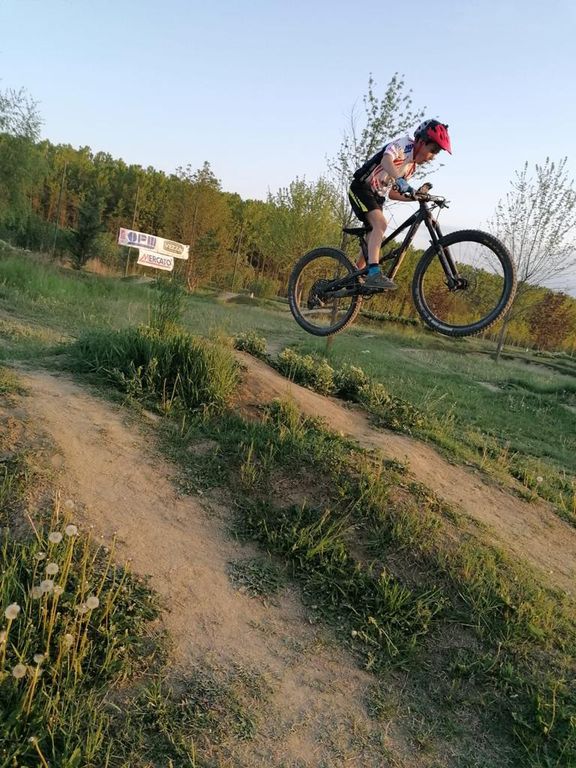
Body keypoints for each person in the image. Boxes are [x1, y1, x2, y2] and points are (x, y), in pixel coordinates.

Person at [348, 119, 452, 290]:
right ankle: (373, 273)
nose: (433, 157)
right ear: (420, 142)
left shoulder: (411, 167)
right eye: (432, 150)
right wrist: (399, 179)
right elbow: (386, 160)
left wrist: (416, 197)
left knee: (372, 241)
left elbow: (393, 193)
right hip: (361, 188)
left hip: (377, 197)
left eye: (436, 154)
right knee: (380, 224)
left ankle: (355, 278)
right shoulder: (404, 145)